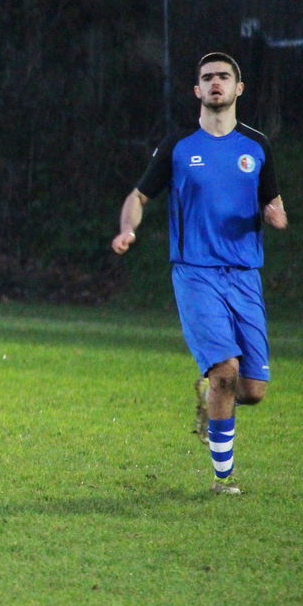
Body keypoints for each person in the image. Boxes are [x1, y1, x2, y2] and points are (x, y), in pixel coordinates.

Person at [111, 52, 287, 494]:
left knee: (252, 390)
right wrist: (128, 229)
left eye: (224, 76)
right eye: (207, 77)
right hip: (195, 274)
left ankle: (210, 396)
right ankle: (223, 479)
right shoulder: (179, 145)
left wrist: (276, 214)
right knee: (225, 371)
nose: (215, 83)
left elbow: (272, 199)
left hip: (244, 274)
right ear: (197, 90)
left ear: (238, 88)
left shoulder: (257, 146)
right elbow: (138, 196)